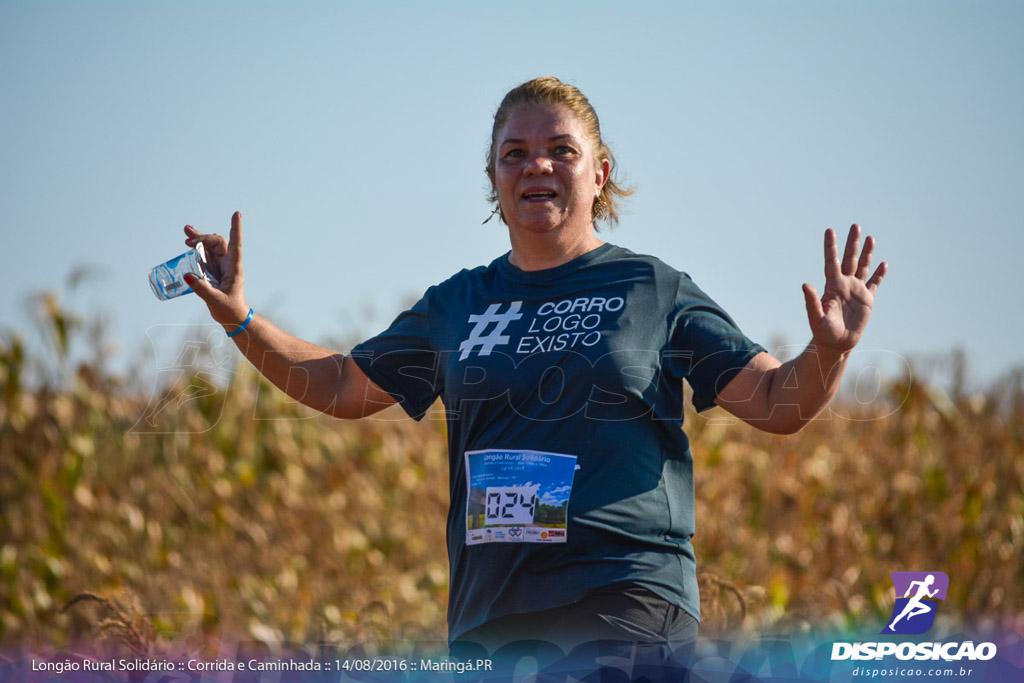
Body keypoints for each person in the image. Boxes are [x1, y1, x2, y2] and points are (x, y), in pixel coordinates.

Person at [181, 76, 887, 674]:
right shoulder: (457, 303)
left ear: (599, 172)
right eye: (514, 154)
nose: (536, 167)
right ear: (493, 177)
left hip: (625, 599)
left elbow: (774, 401)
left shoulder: (652, 288)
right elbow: (339, 385)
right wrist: (240, 319)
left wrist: (829, 351)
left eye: (561, 151)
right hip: (493, 617)